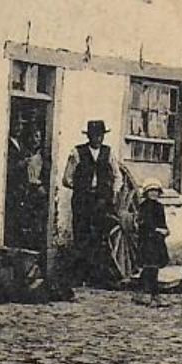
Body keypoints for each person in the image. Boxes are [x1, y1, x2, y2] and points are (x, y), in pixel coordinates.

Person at [61, 119, 118, 286]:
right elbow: (67, 178)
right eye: (94, 135)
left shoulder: (109, 153)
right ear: (89, 136)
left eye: (100, 136)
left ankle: (98, 277)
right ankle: (81, 276)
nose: (98, 139)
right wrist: (81, 188)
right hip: (82, 201)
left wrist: (112, 192)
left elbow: (117, 176)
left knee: (100, 237)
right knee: (81, 236)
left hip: (101, 200)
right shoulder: (77, 152)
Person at [134, 180, 171, 308]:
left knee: (151, 267)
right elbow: (144, 224)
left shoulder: (159, 207)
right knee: (151, 267)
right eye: (151, 191)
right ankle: (154, 296)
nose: (154, 193)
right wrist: (156, 229)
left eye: (156, 191)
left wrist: (166, 230)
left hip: (157, 241)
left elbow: (162, 222)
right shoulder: (143, 207)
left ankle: (140, 293)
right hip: (147, 240)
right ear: (146, 193)